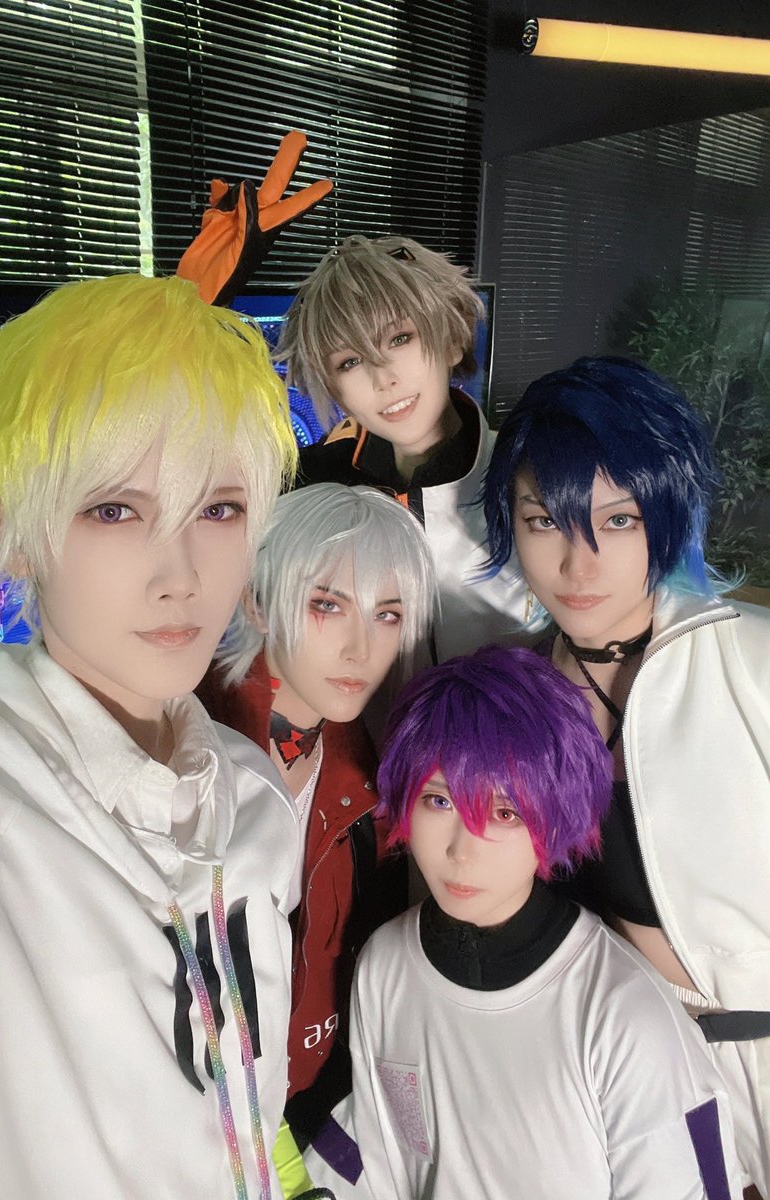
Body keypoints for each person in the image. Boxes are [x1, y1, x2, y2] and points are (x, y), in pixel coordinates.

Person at [0, 274, 308, 1199]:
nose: (179, 574)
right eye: (115, 509)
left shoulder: (257, 801)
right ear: (12, 530)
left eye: (218, 509)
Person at [481, 355, 770, 1198]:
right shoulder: (516, 696)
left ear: (668, 515)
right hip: (615, 1085)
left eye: (618, 519)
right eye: (544, 521)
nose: (581, 566)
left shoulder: (749, 661)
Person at [306, 647, 742, 1199]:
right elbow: (378, 1157)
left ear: (556, 817)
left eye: (504, 813)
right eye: (438, 801)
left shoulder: (625, 1017)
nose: (463, 849)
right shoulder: (385, 963)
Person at [198, 483, 435, 1143]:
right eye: (327, 605)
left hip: (296, 1106)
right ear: (257, 601)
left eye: (388, 615)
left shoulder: (373, 780)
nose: (362, 648)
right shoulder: (182, 736)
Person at [275, 234, 528, 662]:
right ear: (334, 390)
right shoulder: (309, 488)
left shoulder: (532, 473)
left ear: (452, 340)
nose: (383, 378)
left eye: (399, 339)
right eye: (350, 362)